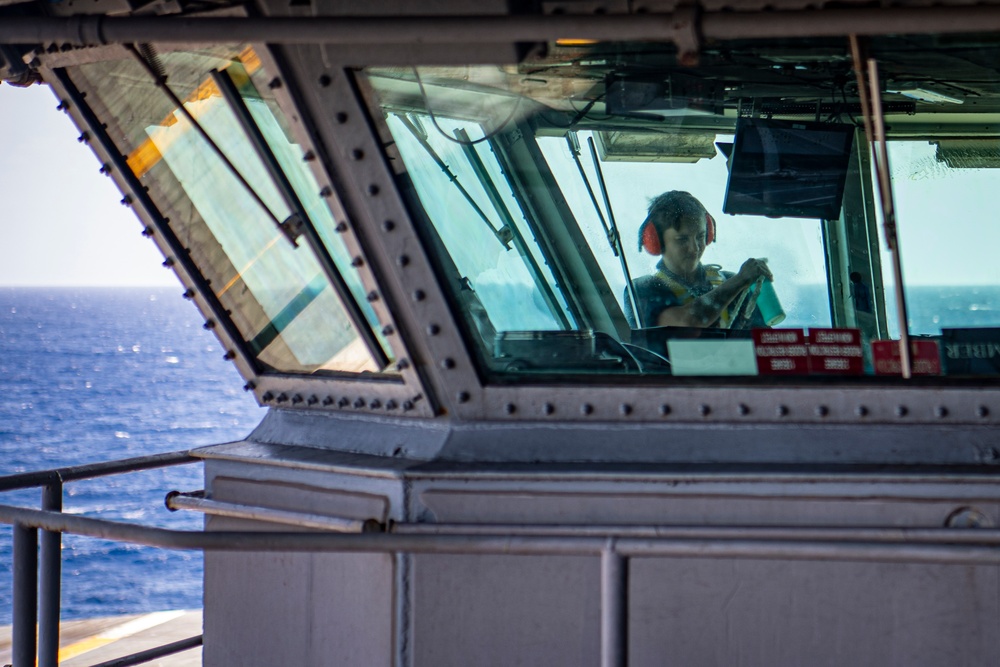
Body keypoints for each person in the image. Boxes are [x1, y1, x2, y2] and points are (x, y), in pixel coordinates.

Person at [625, 190, 772, 329]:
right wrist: (740, 280)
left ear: (709, 234)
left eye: (700, 237)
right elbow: (687, 322)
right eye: (682, 239)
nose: (694, 248)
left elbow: (766, 342)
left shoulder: (731, 281)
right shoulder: (641, 290)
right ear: (656, 242)